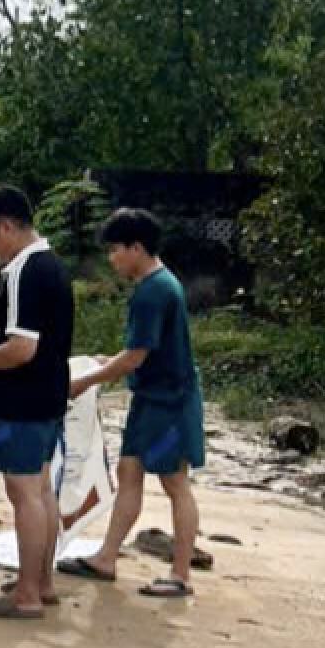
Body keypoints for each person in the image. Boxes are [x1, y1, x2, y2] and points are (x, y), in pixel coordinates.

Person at [59, 208, 207, 598]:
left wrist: (84, 381)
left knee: (175, 482)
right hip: (153, 399)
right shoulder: (159, 285)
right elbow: (140, 352)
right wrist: (108, 363)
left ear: (136, 248)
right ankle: (107, 557)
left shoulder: (153, 292)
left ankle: (180, 575)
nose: (112, 259)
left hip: (170, 403)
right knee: (129, 471)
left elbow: (136, 357)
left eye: (115, 250)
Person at [0, 187, 75, 620]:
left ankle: (26, 594)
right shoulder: (53, 265)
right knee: (41, 489)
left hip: (24, 397)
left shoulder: (25, 270)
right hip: (50, 395)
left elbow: (21, 348)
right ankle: (41, 581)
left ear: (7, 227)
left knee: (25, 493)